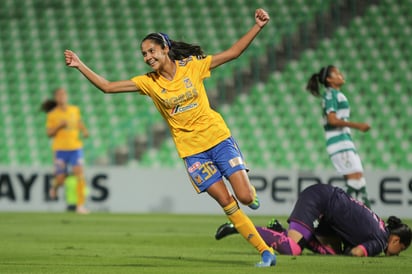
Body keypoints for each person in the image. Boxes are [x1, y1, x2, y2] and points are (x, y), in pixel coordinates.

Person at [63, 9, 276, 267]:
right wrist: (79, 64)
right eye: (143, 54)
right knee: (226, 202)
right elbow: (108, 87)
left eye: (151, 51)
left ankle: (250, 194)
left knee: (243, 196)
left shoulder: (193, 67)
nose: (147, 57)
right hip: (192, 152)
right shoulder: (149, 83)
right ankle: (265, 252)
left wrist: (258, 26)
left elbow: (233, 53)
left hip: (218, 138)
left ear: (165, 48)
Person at [215, 184, 411, 257]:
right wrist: (352, 252)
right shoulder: (380, 241)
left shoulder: (380, 228)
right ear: (395, 240)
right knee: (293, 249)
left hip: (326, 207)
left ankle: (280, 231)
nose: (397, 254)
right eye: (401, 249)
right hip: (320, 202)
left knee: (332, 253)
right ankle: (238, 227)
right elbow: (357, 253)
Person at [306, 66, 371, 208]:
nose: (341, 75)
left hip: (345, 142)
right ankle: (330, 214)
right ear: (329, 79)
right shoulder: (330, 95)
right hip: (339, 143)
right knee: (355, 181)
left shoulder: (335, 94)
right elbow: (332, 120)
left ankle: (370, 220)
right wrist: (358, 125)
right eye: (337, 73)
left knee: (359, 181)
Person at [41, 88, 90, 214]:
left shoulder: (74, 110)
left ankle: (80, 205)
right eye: (59, 94)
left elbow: (79, 122)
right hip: (60, 149)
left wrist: (84, 130)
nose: (62, 96)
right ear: (56, 98)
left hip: (75, 148)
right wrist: (59, 126)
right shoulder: (52, 114)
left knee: (79, 174)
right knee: (61, 179)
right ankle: (55, 187)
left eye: (64, 94)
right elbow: (49, 133)